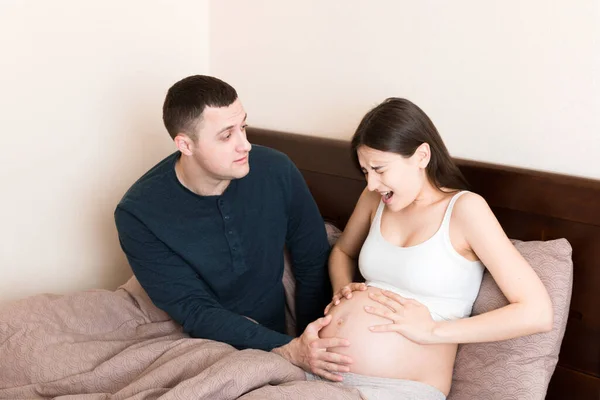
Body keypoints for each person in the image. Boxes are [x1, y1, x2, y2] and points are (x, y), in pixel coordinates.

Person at [114, 75, 353, 379]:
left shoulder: (277, 170)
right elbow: (194, 309)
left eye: (243, 127)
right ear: (185, 144)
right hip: (202, 333)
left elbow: (312, 260)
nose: (246, 145)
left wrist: (309, 340)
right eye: (227, 135)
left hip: (282, 329)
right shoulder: (138, 213)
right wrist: (288, 348)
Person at [314, 98, 554, 399]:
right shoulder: (374, 199)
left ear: (421, 156)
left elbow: (537, 312)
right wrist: (342, 291)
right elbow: (343, 252)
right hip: (321, 370)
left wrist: (433, 331)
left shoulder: (465, 210)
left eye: (379, 169)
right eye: (365, 171)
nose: (372, 183)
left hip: (400, 389)